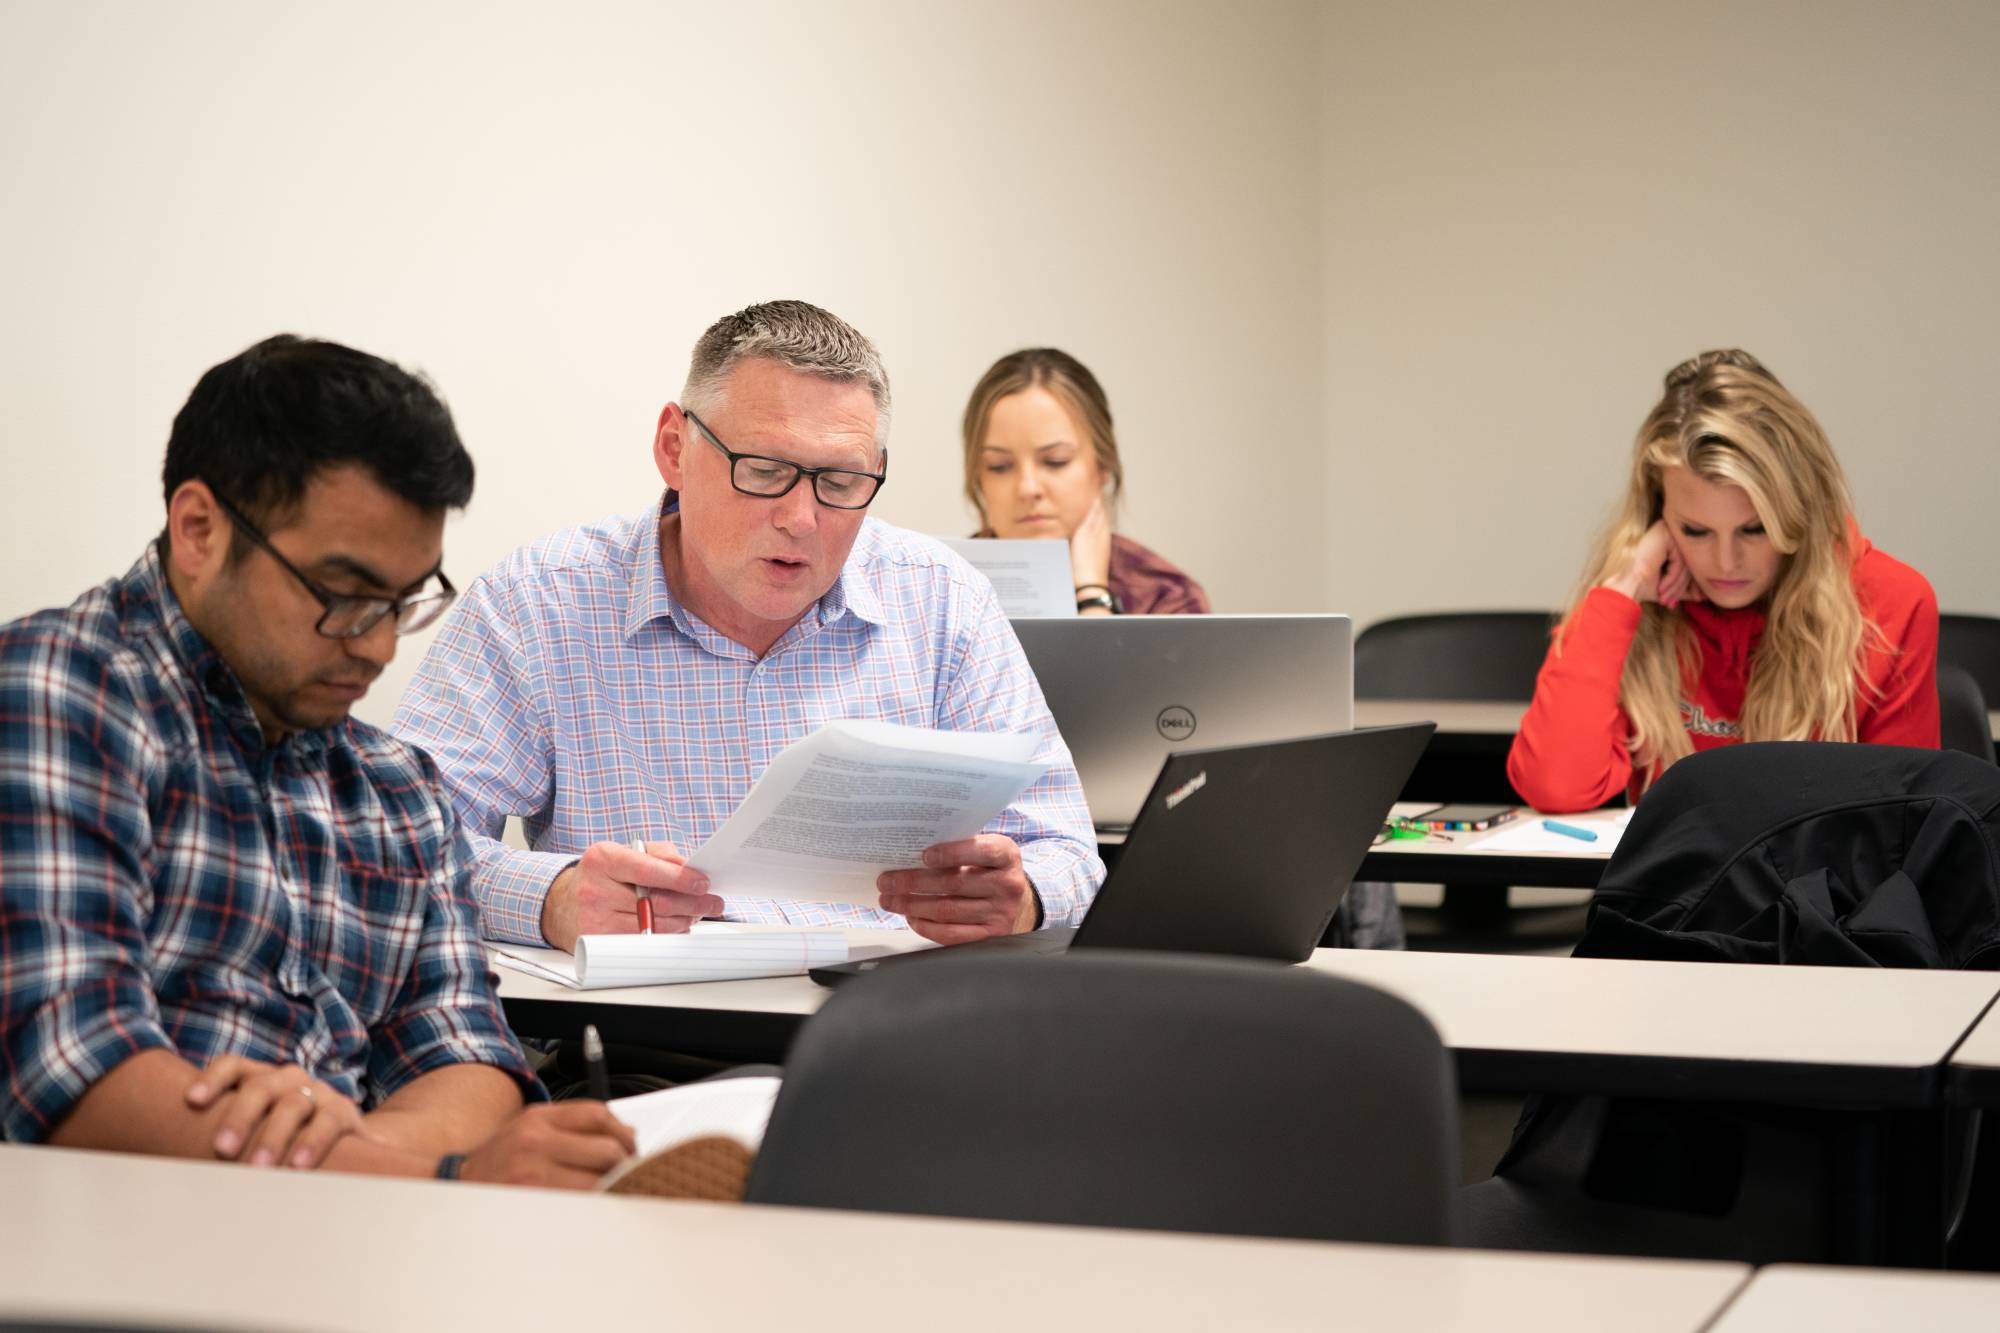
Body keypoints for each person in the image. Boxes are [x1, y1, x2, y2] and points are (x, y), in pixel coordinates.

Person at [0, 335, 638, 1188]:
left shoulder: (398, 787)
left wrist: (346, 1143)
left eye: (404, 600)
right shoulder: (55, 696)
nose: (377, 644)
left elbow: (471, 1060)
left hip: (358, 1249)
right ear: (198, 529)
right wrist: (428, 1173)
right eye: (341, 593)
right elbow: (76, 1074)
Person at [394, 302, 1103, 953]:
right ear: (674, 448)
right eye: (764, 470)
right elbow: (402, 844)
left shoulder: (941, 600)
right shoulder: (539, 605)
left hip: (893, 1028)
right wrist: (552, 899)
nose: (801, 518)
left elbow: (1067, 851)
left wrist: (1022, 899)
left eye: (841, 482)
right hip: (655, 1041)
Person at [1508, 349, 1939, 815]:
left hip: (1821, 886)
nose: (1726, 562)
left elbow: (1902, 820)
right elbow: (1556, 787)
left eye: (1754, 529)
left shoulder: (1890, 599)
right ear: (1658, 515)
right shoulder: (1630, 602)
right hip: (1667, 887)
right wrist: (1624, 587)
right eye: (1696, 531)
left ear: (1797, 511)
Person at [962, 348, 1209, 615]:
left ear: (1103, 464)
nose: (1028, 488)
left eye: (1056, 461)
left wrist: (1092, 596)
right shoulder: (935, 587)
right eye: (999, 466)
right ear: (977, 475)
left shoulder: (1165, 599)